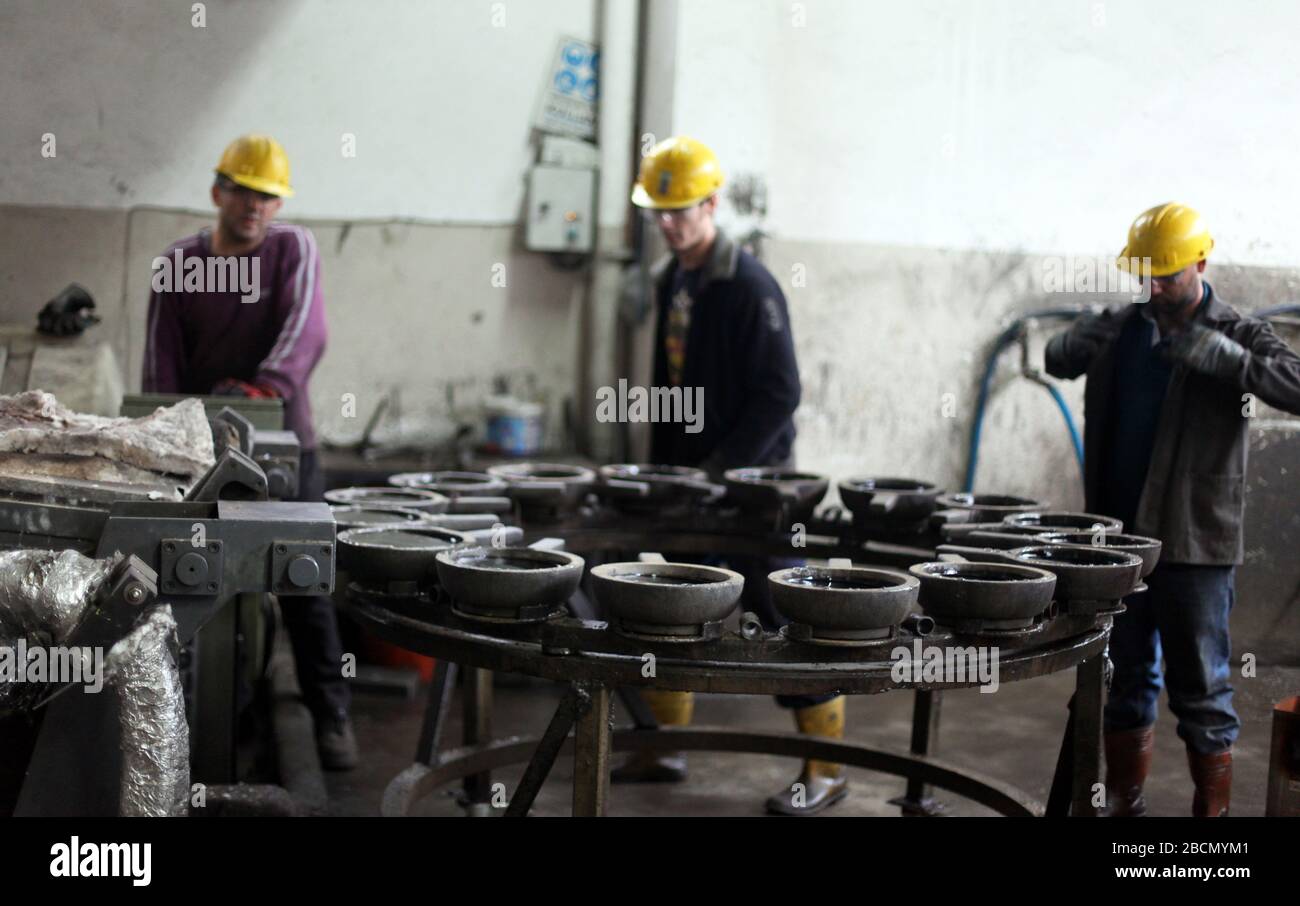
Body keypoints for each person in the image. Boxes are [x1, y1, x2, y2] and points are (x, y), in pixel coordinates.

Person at [613, 135, 846, 815]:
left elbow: (781, 394)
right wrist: (662, 474)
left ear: (712, 204)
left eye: (680, 210)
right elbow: (671, 385)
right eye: (658, 211)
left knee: (791, 622)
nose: (667, 223)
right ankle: (663, 744)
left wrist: (723, 469)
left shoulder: (749, 286)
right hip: (695, 488)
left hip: (756, 494)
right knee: (673, 607)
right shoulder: (676, 281)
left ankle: (827, 770)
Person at [1045, 202, 1300, 816]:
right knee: (1121, 680)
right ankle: (1124, 807)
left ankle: (1206, 831)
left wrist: (1232, 362)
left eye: (1167, 274)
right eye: (1146, 275)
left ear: (1201, 262)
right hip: (1118, 545)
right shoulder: (1121, 326)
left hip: (1194, 545)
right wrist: (1070, 342)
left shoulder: (1238, 332)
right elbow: (1056, 359)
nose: (1154, 287)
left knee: (1203, 694)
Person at [143, 134, 357, 770]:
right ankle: (201, 721)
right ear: (217, 192)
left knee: (306, 584)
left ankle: (331, 713)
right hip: (200, 460)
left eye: (268, 197)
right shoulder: (177, 264)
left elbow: (306, 331)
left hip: (286, 452)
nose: (255, 207)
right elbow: (160, 367)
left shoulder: (294, 249)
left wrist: (266, 388)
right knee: (193, 582)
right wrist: (166, 440)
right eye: (242, 191)